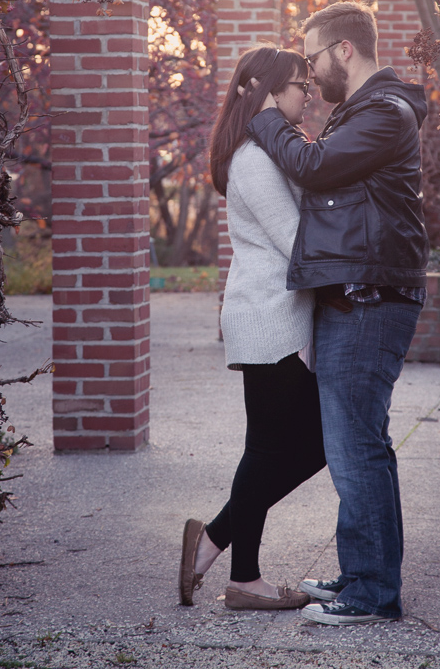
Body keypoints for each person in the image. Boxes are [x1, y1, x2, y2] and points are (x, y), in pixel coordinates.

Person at [245, 0, 429, 626]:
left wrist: (266, 118)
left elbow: (314, 166)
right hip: (358, 296)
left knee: (355, 450)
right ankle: (362, 573)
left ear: (344, 50)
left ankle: (372, 595)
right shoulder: (365, 112)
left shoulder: (384, 112)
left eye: (314, 55)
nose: (313, 72)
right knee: (363, 444)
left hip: (369, 300)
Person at [179, 45, 326, 611]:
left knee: (275, 448)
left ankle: (221, 550)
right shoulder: (256, 160)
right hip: (267, 319)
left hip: (269, 316)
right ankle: (237, 572)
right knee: (294, 446)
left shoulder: (261, 151)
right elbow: (297, 244)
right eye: (297, 85)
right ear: (267, 91)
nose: (306, 95)